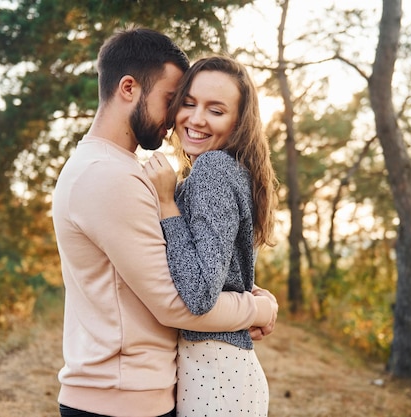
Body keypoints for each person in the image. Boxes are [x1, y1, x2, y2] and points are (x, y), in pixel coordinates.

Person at [51, 28, 278, 417]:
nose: (179, 118)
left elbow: (190, 269)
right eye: (175, 101)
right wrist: (256, 309)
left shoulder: (118, 169)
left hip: (135, 391)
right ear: (128, 88)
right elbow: (178, 303)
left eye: (216, 109)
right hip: (122, 398)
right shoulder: (110, 177)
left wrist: (252, 291)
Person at [143, 55, 279, 417]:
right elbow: (222, 268)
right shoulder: (227, 169)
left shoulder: (212, 170)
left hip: (216, 375)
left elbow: (201, 293)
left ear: (238, 122)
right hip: (221, 369)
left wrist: (167, 204)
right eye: (188, 103)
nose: (196, 118)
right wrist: (259, 304)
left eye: (215, 110)